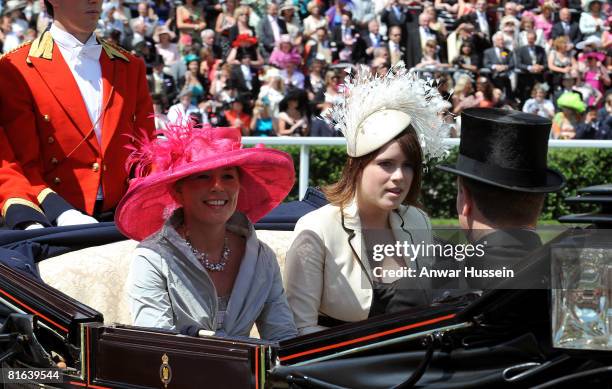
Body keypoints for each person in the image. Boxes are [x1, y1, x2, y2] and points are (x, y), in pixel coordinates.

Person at [284, 63, 450, 334]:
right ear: (357, 167)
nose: (399, 176)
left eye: (408, 166)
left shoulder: (418, 222)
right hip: (333, 367)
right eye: (386, 164)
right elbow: (298, 328)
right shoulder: (317, 228)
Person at [116, 122, 297, 341]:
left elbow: (283, 337)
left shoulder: (262, 257)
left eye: (228, 176)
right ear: (178, 190)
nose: (218, 187)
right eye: (203, 177)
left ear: (240, 186)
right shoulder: (153, 259)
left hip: (246, 374)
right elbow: (156, 345)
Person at [0, 0, 154, 229]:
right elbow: (22, 162)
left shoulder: (130, 66)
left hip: (125, 216)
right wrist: (51, 213)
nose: (95, 0)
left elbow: (146, 150)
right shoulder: (17, 68)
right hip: (53, 219)